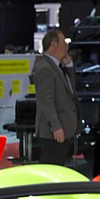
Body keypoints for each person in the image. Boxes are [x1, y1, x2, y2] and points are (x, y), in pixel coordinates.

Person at [31, 28, 79, 166]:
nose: (67, 46)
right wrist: (56, 126)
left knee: (60, 166)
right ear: (53, 45)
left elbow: (70, 89)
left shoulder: (57, 66)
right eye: (64, 43)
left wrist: (68, 64)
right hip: (53, 132)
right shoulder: (44, 68)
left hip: (64, 129)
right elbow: (46, 101)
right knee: (51, 166)